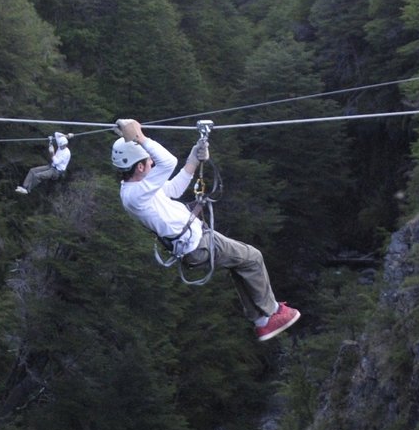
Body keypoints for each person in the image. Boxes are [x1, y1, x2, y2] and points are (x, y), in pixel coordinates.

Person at [111, 118, 300, 342]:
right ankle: (270, 315)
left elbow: (172, 188)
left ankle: (261, 320)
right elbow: (169, 162)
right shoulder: (135, 196)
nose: (152, 162)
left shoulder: (137, 189)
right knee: (253, 258)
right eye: (148, 161)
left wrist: (193, 158)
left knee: (242, 264)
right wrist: (139, 138)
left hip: (197, 240)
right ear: (140, 167)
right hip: (197, 244)